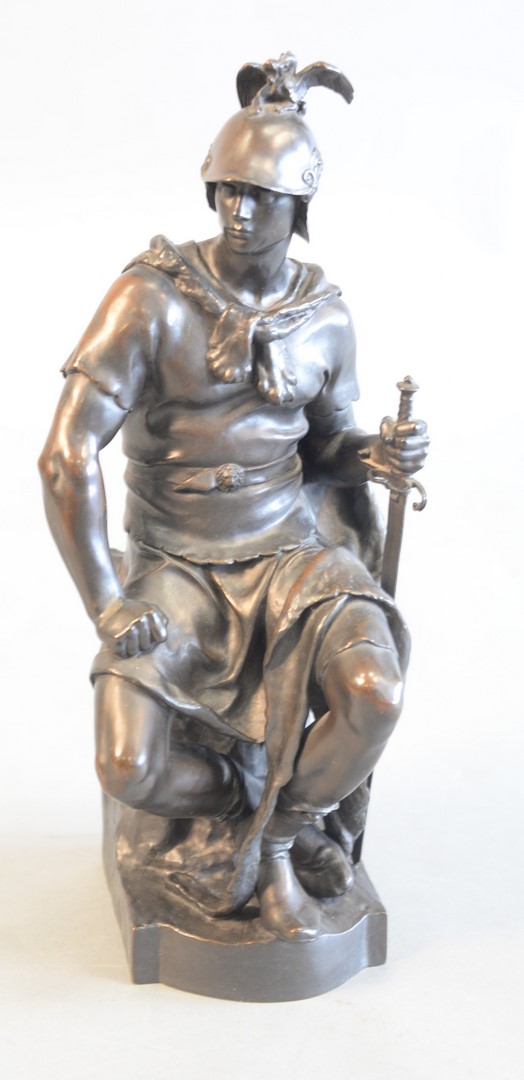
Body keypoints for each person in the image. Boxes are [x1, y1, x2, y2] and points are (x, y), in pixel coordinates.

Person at [39, 54, 428, 941]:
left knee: (375, 693)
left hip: (292, 559)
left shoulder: (324, 315)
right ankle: (245, 797)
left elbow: (327, 447)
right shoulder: (150, 299)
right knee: (128, 766)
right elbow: (65, 454)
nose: (236, 210)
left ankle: (280, 839)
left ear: (301, 205)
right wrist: (106, 600)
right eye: (225, 190)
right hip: (178, 568)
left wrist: (379, 454)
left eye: (258, 195)